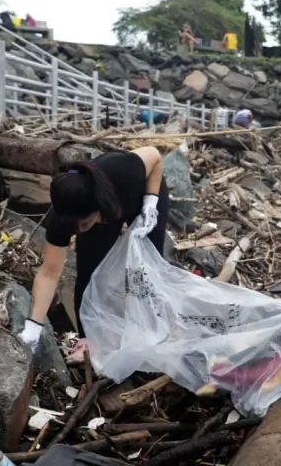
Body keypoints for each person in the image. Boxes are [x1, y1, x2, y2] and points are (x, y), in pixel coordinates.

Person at [18, 147, 169, 363]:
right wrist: (33, 328)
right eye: (75, 226)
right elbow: (49, 273)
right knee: (89, 271)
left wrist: (151, 203)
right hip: (102, 209)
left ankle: (154, 328)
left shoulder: (125, 171)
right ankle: (87, 340)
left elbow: (154, 156)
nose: (79, 229)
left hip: (141, 192)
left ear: (97, 209)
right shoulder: (64, 217)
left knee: (149, 263)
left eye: (85, 223)